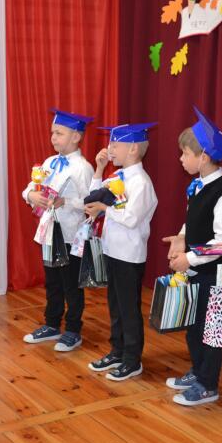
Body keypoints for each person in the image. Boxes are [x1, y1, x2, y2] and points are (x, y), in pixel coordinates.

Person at [164, 107, 222, 406]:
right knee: (193, 327)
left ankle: (208, 384)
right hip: (196, 270)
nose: (181, 159)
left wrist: (190, 259)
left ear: (204, 157)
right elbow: (192, 221)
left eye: (185, 154)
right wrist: (181, 238)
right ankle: (198, 372)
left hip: (213, 274)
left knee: (211, 332)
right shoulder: (198, 186)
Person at [84, 123, 158, 381]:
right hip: (112, 250)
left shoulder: (141, 183)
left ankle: (132, 359)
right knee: (115, 305)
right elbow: (92, 197)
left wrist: (105, 209)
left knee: (129, 308)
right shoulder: (117, 176)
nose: (110, 149)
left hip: (129, 254)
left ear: (134, 149)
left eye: (115, 145)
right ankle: (117, 350)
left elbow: (132, 218)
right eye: (110, 144)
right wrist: (99, 169)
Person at [21, 109, 95, 352]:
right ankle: (52, 323)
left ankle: (73, 329)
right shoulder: (49, 162)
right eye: (52, 132)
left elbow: (90, 202)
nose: (53, 137)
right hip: (49, 232)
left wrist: (67, 202)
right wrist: (31, 195)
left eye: (59, 133)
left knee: (71, 283)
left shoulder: (83, 167)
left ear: (76, 136)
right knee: (52, 280)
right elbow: (31, 187)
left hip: (71, 235)